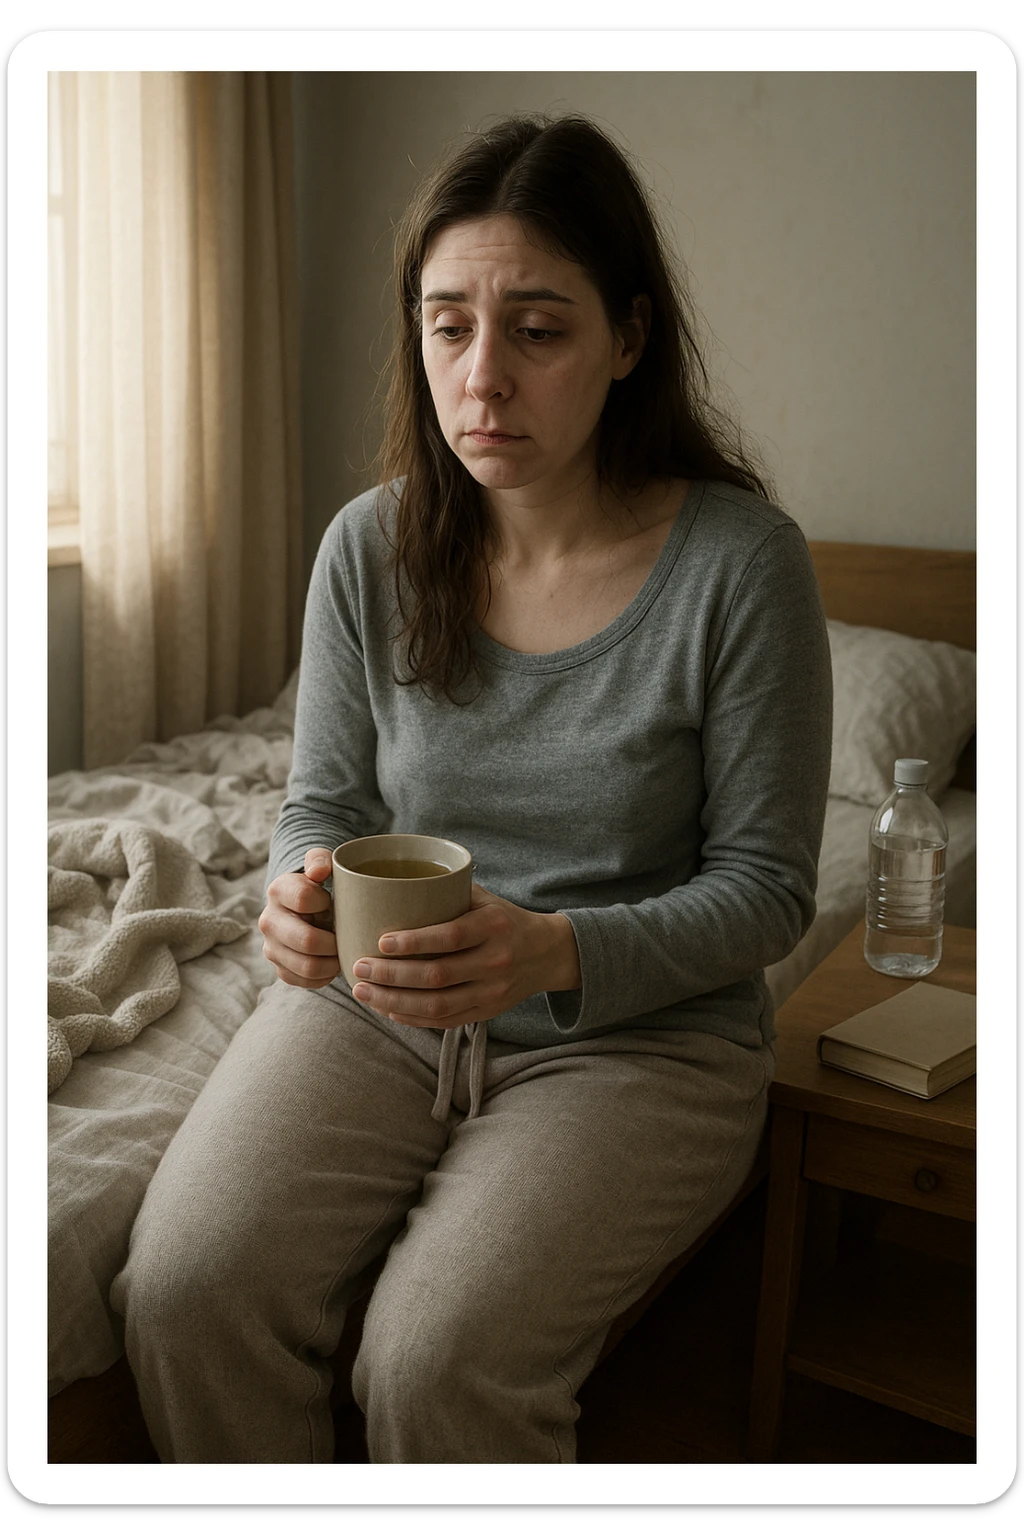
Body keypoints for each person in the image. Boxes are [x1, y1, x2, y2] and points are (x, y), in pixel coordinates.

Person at [112, 113, 833, 1464]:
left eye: (538, 330)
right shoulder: (369, 547)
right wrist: (297, 891)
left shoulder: (745, 568)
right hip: (385, 1007)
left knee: (434, 1361)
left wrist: (552, 950)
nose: (483, 378)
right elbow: (323, 802)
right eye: (449, 327)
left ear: (628, 339)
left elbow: (768, 891)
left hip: (643, 1041)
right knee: (185, 1290)